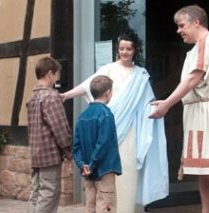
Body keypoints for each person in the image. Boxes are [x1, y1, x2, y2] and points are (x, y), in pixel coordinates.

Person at [61, 30, 168, 213]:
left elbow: (147, 103)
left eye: (129, 49)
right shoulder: (108, 69)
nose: (125, 52)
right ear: (117, 50)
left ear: (135, 50)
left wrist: (159, 108)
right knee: (106, 177)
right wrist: (66, 95)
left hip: (130, 132)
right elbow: (88, 86)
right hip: (108, 130)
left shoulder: (141, 75)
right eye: (122, 49)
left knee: (127, 173)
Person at [149, 5, 209, 213]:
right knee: (204, 170)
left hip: (207, 112)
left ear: (196, 22)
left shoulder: (208, 41)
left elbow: (193, 78)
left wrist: (166, 104)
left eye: (182, 25)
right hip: (199, 112)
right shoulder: (199, 45)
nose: (179, 31)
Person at [26, 56, 72, 213]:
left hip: (36, 155)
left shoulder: (32, 97)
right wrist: (69, 150)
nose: (57, 78)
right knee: (49, 194)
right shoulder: (51, 97)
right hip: (50, 155)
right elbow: (60, 128)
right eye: (57, 74)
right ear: (50, 74)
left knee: (35, 193)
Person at [73, 75, 122, 213]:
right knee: (106, 207)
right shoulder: (106, 115)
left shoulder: (82, 117)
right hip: (104, 170)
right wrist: (93, 164)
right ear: (108, 92)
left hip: (88, 171)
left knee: (91, 207)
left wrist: (83, 165)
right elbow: (103, 144)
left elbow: (76, 147)